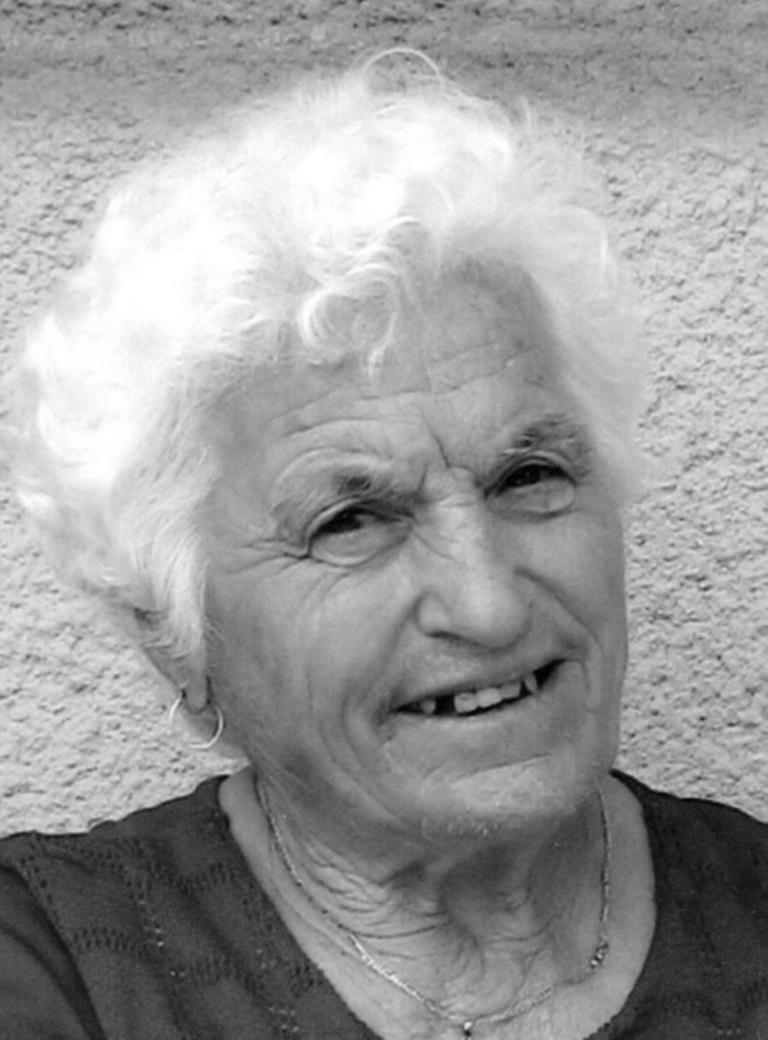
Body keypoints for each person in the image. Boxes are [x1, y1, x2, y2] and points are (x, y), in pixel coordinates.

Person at [2, 53, 767, 1040]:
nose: (488, 605)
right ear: (175, 644)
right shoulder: (58, 970)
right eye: (351, 521)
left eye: (528, 475)